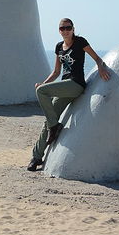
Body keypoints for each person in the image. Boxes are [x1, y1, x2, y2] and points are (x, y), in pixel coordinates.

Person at [27, 18, 110, 171]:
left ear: (73, 28)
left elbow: (97, 58)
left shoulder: (80, 42)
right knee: (48, 122)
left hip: (76, 85)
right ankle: (37, 157)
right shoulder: (59, 46)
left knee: (41, 92)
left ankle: (54, 126)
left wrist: (101, 68)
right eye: (62, 28)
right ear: (59, 30)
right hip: (64, 87)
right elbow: (56, 72)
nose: (65, 31)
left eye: (68, 28)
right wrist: (45, 83)